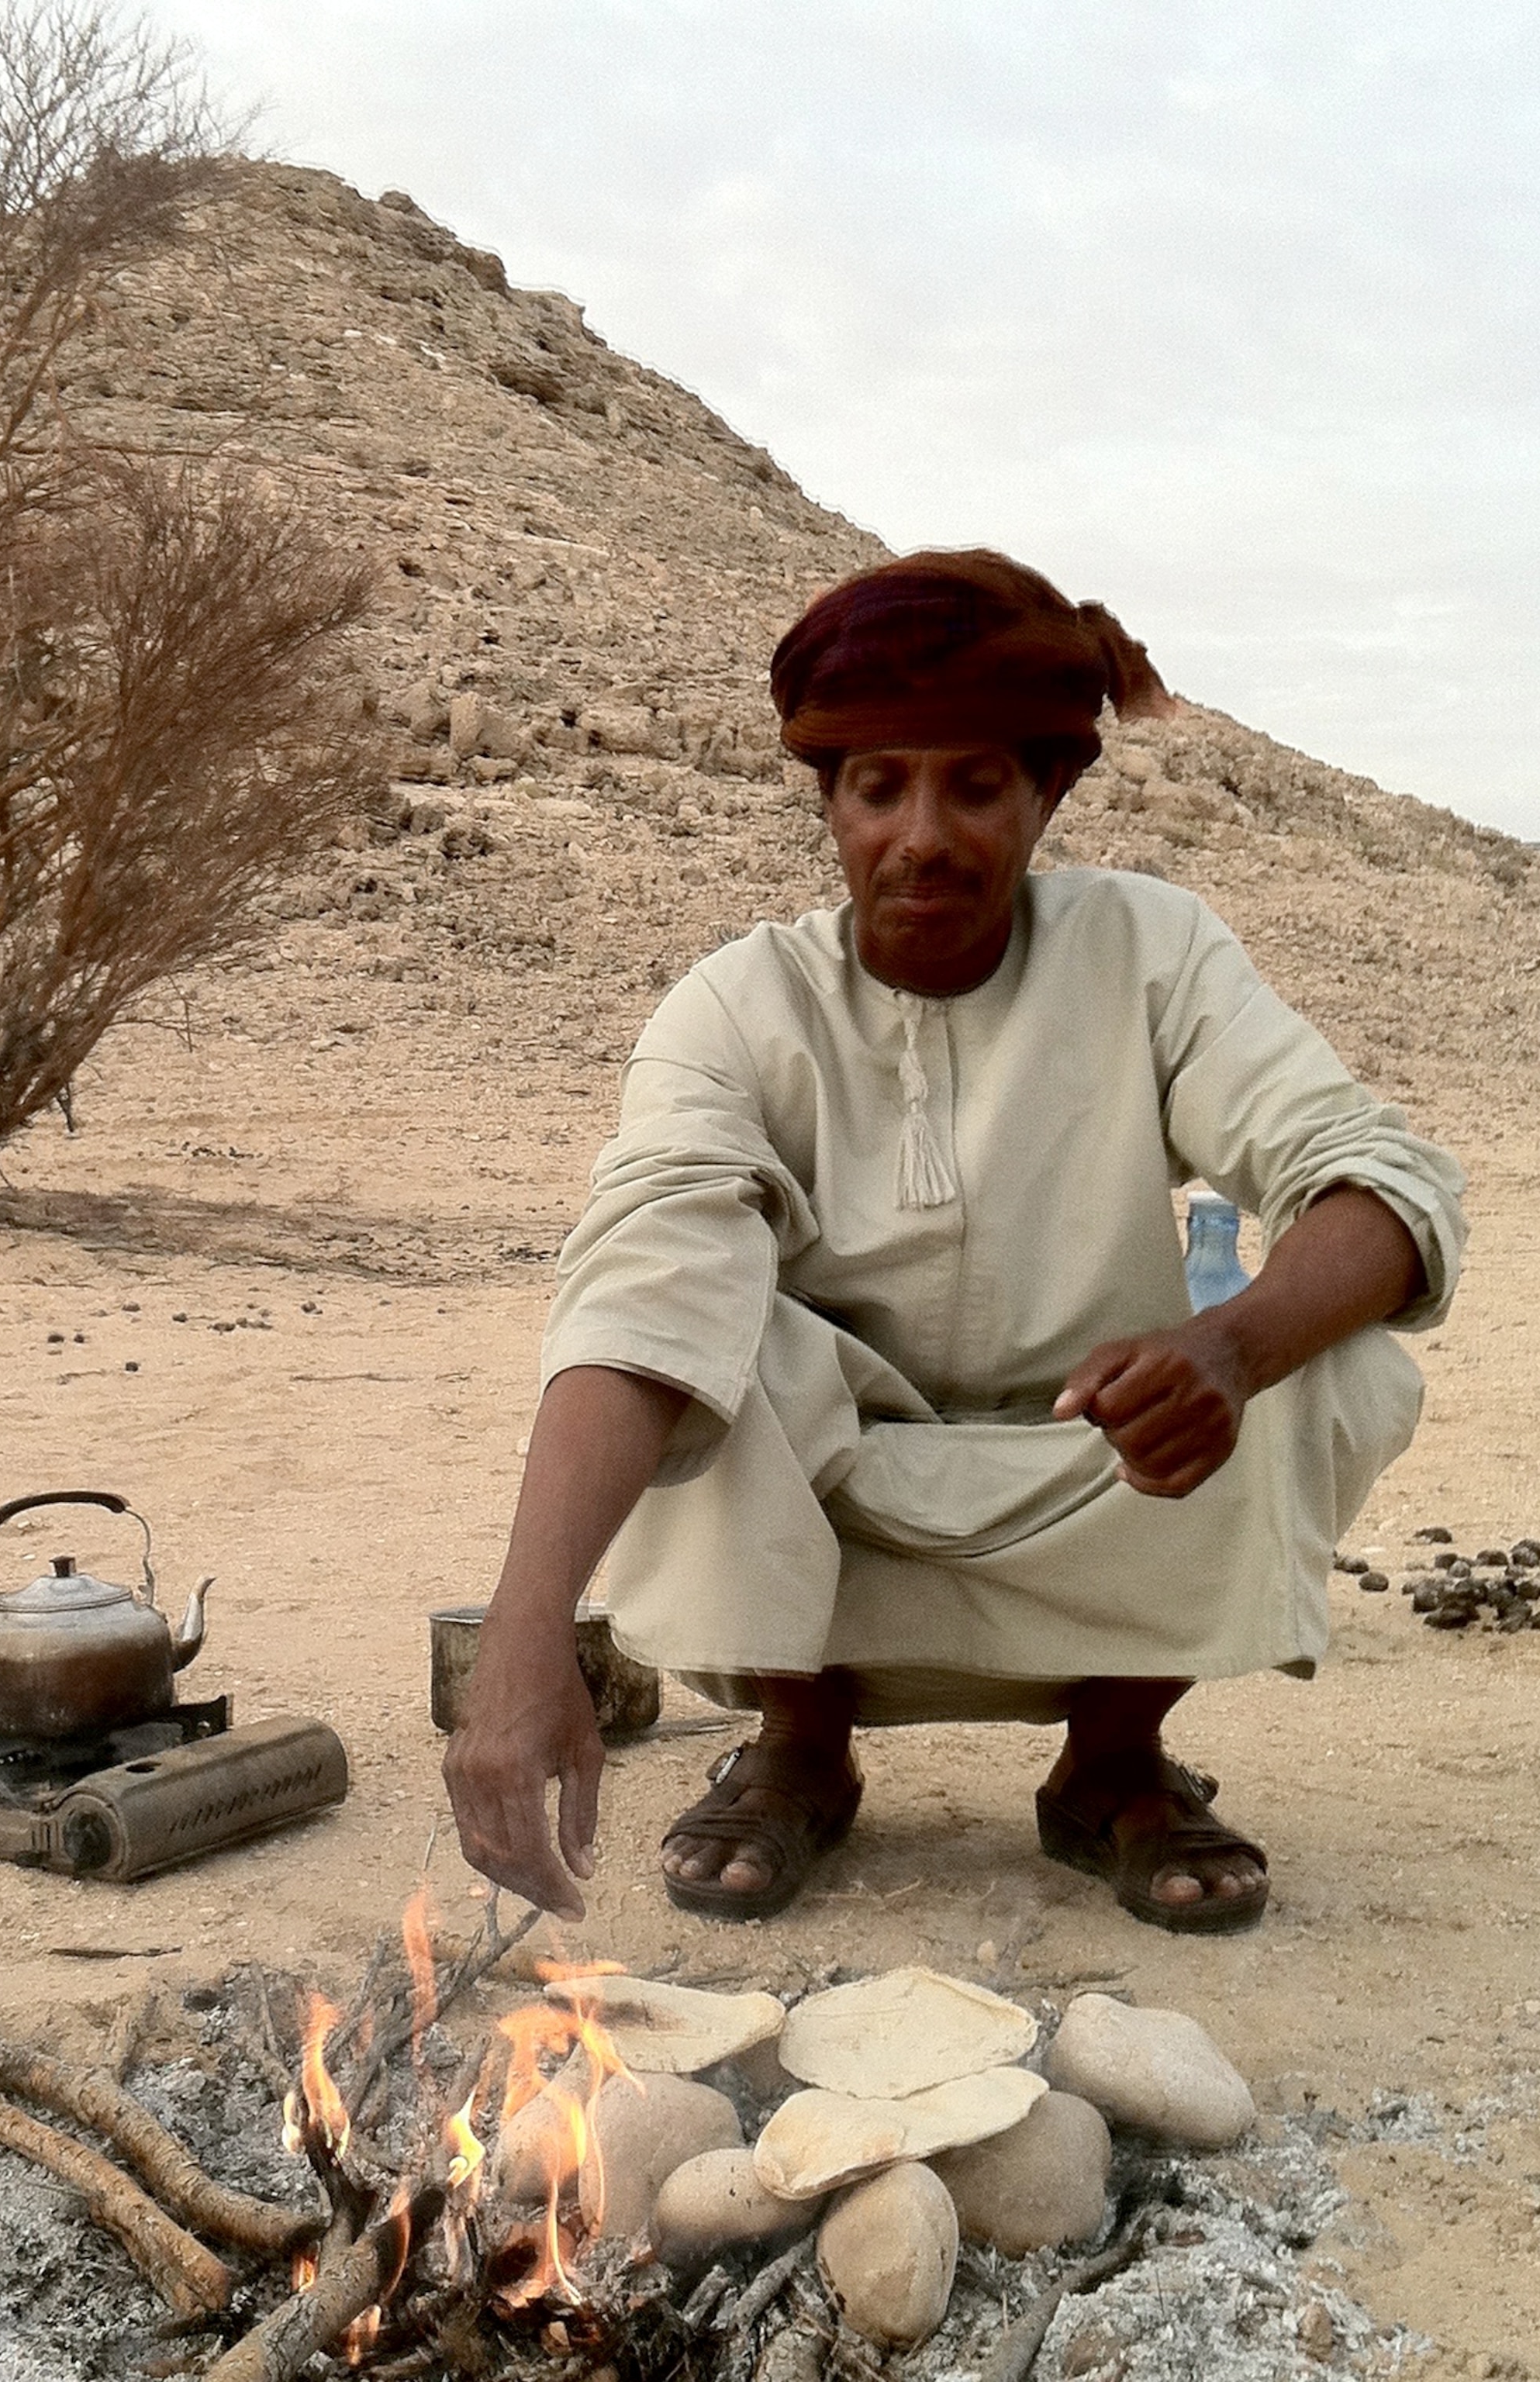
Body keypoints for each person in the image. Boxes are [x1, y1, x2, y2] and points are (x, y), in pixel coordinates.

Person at [442, 550, 1465, 1936]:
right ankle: (801, 1751)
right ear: (831, 804)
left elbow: (1377, 1177)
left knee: (1334, 1355)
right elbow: (645, 1281)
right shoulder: (738, 1006)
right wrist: (524, 1634)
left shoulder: (1150, 951)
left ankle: (1112, 1768)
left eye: (975, 785)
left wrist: (1227, 1346)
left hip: (1095, 1455)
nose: (921, 834)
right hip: (847, 1466)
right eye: (879, 786)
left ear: (1048, 795)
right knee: (686, 1336)